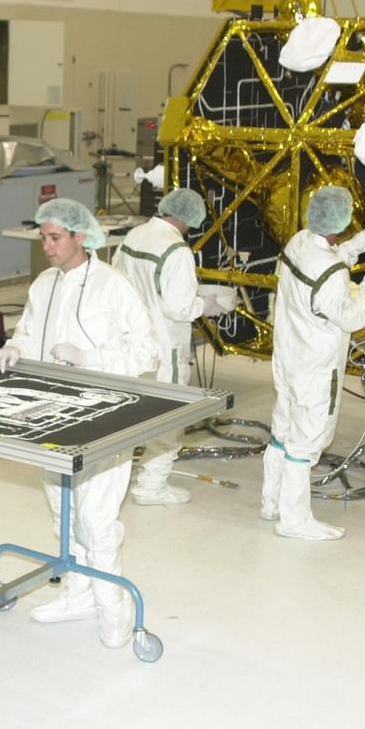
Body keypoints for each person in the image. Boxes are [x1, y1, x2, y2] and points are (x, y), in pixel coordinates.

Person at [0, 198, 158, 648]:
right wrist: (15, 347)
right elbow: (28, 331)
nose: (46, 246)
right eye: (43, 237)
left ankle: (113, 607)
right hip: (53, 415)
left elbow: (147, 352)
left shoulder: (113, 285)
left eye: (55, 238)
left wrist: (92, 358)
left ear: (80, 237)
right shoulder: (44, 284)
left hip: (105, 415)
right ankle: (79, 593)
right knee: (64, 513)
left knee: (95, 520)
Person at [260, 186, 365, 540]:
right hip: (316, 367)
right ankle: (294, 521)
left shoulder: (299, 242)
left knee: (283, 432)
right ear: (343, 219)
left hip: (289, 357)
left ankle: (271, 502)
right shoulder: (330, 270)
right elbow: (351, 316)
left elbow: (332, 260)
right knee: (305, 444)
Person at [114, 187, 229, 505]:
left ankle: (116, 482)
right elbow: (180, 307)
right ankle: (151, 487)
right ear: (190, 218)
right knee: (167, 418)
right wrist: (205, 305)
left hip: (130, 344)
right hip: (165, 347)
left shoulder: (134, 236)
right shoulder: (176, 250)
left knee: (129, 414)